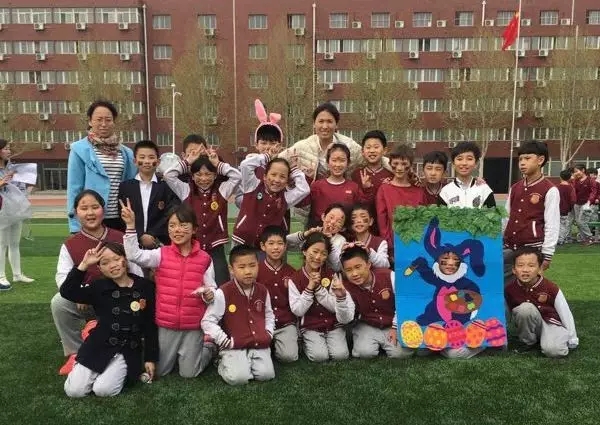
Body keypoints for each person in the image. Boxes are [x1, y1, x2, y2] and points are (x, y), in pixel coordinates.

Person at [51, 190, 143, 375]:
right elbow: (62, 277)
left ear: (103, 210)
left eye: (95, 207)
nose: (90, 213)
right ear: (76, 212)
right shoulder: (70, 244)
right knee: (59, 302)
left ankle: (121, 342)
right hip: (89, 300)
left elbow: (136, 270)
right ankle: (75, 352)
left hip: (120, 298)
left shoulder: (121, 237)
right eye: (84, 208)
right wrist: (81, 293)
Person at [121, 201, 217, 378]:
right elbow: (134, 255)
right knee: (162, 371)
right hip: (166, 324)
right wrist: (130, 226)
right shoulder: (161, 254)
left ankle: (209, 347)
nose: (177, 230)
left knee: (190, 374)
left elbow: (211, 287)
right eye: (172, 226)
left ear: (194, 229)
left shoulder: (205, 259)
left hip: (193, 325)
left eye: (183, 225)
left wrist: (209, 294)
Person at [60, 242, 158, 398]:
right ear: (100, 268)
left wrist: (150, 358)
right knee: (74, 391)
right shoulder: (98, 287)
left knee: (103, 390)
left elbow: (150, 326)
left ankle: (118, 373)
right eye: (105, 263)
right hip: (98, 346)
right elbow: (67, 291)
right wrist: (84, 265)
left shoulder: (146, 287)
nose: (112, 265)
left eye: (116, 259)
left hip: (127, 350)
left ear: (125, 259)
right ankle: (81, 365)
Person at [162, 148, 241, 285]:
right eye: (198, 174)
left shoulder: (222, 189)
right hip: (193, 246)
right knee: (193, 285)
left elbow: (237, 176)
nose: (203, 179)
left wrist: (218, 164)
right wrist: (188, 161)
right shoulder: (186, 190)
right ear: (192, 176)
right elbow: (168, 175)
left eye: (208, 174)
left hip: (216, 247)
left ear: (215, 175)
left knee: (221, 284)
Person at [201, 245, 276, 385]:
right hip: (234, 345)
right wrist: (225, 341)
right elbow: (207, 321)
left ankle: (246, 361)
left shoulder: (262, 290)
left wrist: (269, 334)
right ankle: (221, 361)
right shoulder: (223, 292)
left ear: (258, 266)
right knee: (239, 378)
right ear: (232, 269)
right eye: (241, 267)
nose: (248, 271)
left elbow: (269, 315)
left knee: (266, 375)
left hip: (258, 343)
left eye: (252, 266)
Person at [66, 100, 137, 233]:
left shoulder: (126, 153)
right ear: (90, 121)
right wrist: (75, 226)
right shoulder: (79, 150)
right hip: (92, 218)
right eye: (99, 119)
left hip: (120, 219)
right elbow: (74, 188)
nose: (104, 124)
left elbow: (131, 185)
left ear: (114, 122)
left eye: (108, 120)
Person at [287, 232, 354, 362]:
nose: (318, 257)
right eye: (315, 251)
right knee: (319, 356)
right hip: (310, 326)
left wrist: (318, 289)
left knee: (341, 355)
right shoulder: (295, 279)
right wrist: (309, 288)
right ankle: (305, 342)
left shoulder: (332, 275)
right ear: (304, 251)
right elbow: (298, 310)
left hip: (333, 324)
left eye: (323, 253)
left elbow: (335, 306)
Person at [340, 245, 413, 359]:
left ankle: (385, 342)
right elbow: (346, 319)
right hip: (366, 324)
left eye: (358, 267)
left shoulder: (388, 275)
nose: (354, 273)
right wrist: (340, 298)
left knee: (401, 354)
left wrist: (395, 327)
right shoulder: (346, 287)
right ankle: (367, 341)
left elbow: (404, 301)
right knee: (364, 353)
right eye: (349, 270)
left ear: (368, 264)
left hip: (391, 323)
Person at [505, 247, 578, 357]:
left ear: (540, 269)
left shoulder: (551, 287)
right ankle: (528, 342)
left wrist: (573, 338)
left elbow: (565, 313)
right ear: (514, 270)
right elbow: (505, 313)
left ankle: (552, 339)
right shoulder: (509, 289)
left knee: (554, 351)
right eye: (520, 265)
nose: (525, 270)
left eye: (531, 266)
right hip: (528, 324)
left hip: (550, 324)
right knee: (525, 309)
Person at [503, 141, 559, 283]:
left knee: (527, 288)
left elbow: (552, 224)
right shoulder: (515, 188)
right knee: (506, 286)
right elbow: (506, 217)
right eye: (520, 159)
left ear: (540, 160)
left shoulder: (550, 189)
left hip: (532, 249)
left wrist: (547, 254)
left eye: (527, 158)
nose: (522, 163)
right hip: (510, 247)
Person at [233, 149, 309, 248]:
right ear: (264, 176)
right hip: (241, 240)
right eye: (273, 175)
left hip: (266, 246)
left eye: (282, 177)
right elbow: (245, 165)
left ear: (287, 181)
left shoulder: (285, 198)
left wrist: (294, 169)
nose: (277, 180)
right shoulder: (253, 186)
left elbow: (304, 189)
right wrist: (267, 157)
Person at [117, 140, 180, 248]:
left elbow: (169, 213)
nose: (146, 161)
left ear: (158, 161)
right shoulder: (125, 187)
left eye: (151, 157)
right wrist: (140, 235)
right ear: (135, 161)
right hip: (133, 241)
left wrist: (152, 234)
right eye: (142, 157)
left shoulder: (166, 186)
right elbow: (122, 214)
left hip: (160, 242)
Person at [300, 143, 372, 229]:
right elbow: (301, 203)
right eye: (334, 160)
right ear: (327, 162)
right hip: (320, 233)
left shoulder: (353, 187)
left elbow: (364, 207)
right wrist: (306, 180)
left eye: (342, 160)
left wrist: (367, 189)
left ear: (348, 163)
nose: (337, 165)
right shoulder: (317, 186)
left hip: (345, 234)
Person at [256, 226, 298, 362]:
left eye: (280, 243)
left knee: (289, 356)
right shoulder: (256, 270)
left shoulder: (292, 272)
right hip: (261, 322)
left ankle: (286, 341)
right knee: (258, 353)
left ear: (285, 246)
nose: (276, 247)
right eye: (271, 243)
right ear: (263, 246)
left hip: (285, 323)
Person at [376, 144, 424, 256]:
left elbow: (422, 221)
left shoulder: (418, 191)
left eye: (404, 164)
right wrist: (389, 247)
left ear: (411, 165)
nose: (399, 168)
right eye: (396, 163)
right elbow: (382, 221)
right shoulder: (384, 189)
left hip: (415, 245)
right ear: (390, 163)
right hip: (393, 246)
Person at [0, 139, 34, 290]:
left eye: (9, 148)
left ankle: (17, 274)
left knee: (14, 243)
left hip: (15, 209)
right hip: (2, 210)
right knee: (2, 244)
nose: (9, 151)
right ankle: (1, 276)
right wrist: (2, 182)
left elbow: (20, 185)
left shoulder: (11, 168)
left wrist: (27, 183)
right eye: (6, 148)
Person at [350, 130, 393, 232]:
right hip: (362, 228)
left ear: (385, 150)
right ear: (362, 152)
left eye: (376, 147)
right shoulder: (355, 174)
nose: (372, 151)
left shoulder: (391, 175)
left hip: (385, 227)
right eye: (368, 147)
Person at [287, 203, 349, 272]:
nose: (332, 222)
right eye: (331, 217)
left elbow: (336, 267)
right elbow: (287, 240)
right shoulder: (313, 232)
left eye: (339, 221)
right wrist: (305, 234)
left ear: (343, 228)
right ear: (323, 217)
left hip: (326, 276)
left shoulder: (341, 240)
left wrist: (329, 242)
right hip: (306, 271)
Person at [438, 141, 496, 208]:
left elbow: (492, 213)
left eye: (469, 159)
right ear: (453, 164)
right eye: (460, 159)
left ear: (476, 164)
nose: (464, 163)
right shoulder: (445, 192)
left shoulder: (485, 190)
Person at [347, 204, 390, 269]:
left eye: (363, 216)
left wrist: (369, 252)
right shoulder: (347, 242)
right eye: (354, 217)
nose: (358, 221)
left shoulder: (380, 242)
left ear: (371, 221)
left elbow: (385, 264)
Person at [571, 164, 596, 245]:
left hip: (586, 204)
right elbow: (573, 191)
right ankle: (584, 239)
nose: (575, 173)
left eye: (576, 171)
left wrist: (589, 202)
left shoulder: (590, 180)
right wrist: (573, 180)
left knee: (582, 222)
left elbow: (593, 192)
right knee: (578, 222)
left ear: (583, 170)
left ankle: (590, 237)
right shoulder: (576, 180)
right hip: (577, 204)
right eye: (574, 172)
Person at [557, 169, 577, 245]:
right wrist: (570, 208)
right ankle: (561, 239)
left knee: (555, 224)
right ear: (569, 178)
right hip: (566, 210)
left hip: (556, 209)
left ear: (560, 177)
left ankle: (555, 239)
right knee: (563, 225)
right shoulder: (571, 188)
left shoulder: (556, 187)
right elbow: (573, 200)